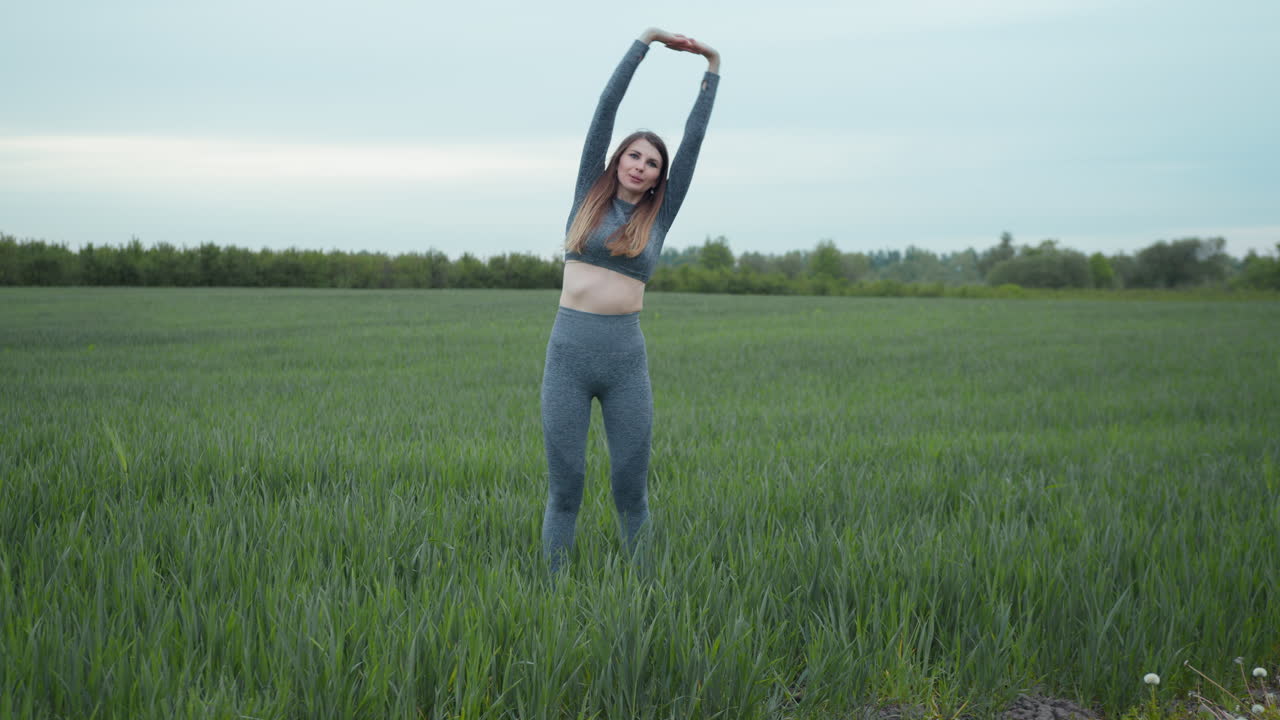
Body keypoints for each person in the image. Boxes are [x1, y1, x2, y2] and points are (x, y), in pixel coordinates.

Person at [541, 28, 720, 574]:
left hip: (625, 362)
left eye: (652, 164)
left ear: (659, 179)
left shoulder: (658, 216)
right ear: (619, 158)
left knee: (629, 486)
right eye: (634, 155)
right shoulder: (586, 195)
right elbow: (605, 107)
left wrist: (712, 65)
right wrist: (643, 43)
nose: (640, 165)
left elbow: (692, 141)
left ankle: (646, 592)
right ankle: (552, 596)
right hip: (567, 357)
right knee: (566, 484)